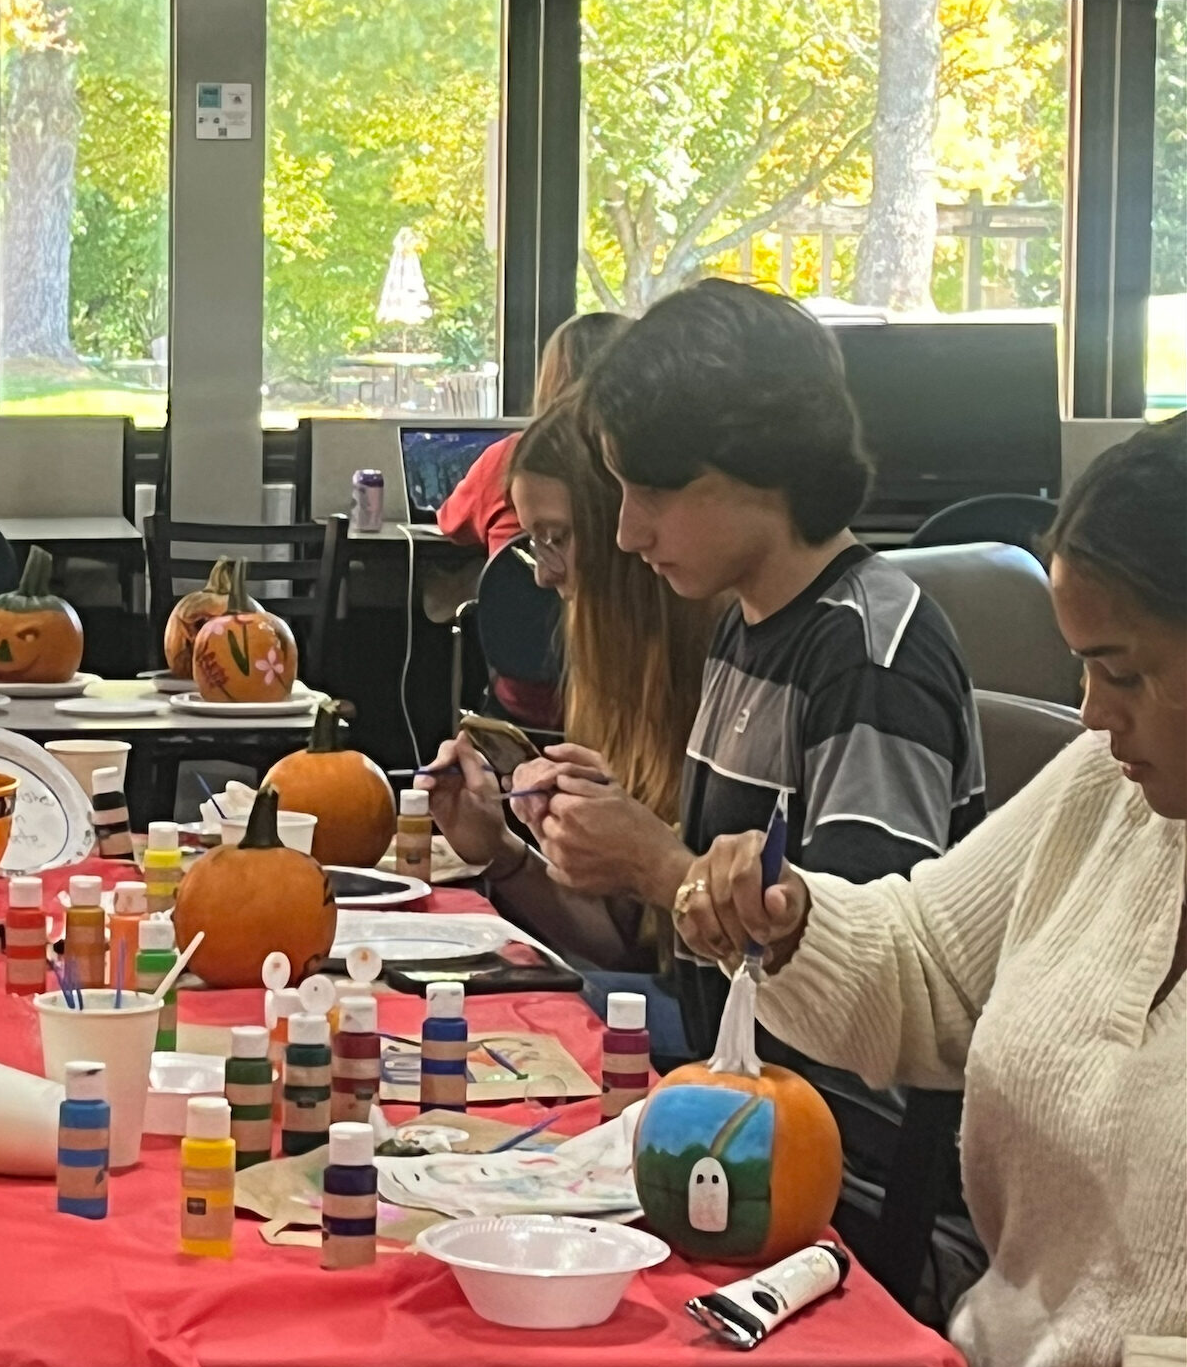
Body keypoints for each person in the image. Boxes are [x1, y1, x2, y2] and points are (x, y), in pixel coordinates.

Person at [674, 415, 1186, 1367]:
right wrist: (785, 921)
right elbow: (917, 969)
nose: (1088, 714)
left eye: (1120, 669)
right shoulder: (1106, 799)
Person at [434, 281, 986, 1268]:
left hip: (812, 1191)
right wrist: (527, 858)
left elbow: (861, 1018)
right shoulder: (745, 628)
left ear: (754, 471)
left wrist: (659, 864)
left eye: (650, 494)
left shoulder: (868, 656)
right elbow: (683, 958)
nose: (629, 533)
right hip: (717, 1120)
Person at [421, 386, 720, 967]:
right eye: (535, 543)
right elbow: (620, 948)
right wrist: (504, 852)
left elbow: (686, 984)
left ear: (627, 525)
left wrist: (649, 859)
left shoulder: (723, 674)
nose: (541, 574)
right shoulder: (607, 673)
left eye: (556, 538)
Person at [436, 312, 629, 560]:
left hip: (517, 597)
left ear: (551, 377)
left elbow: (452, 523)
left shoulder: (514, 456)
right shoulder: (641, 458)